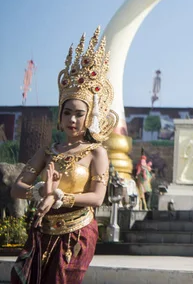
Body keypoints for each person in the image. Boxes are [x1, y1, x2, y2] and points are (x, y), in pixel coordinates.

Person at [10, 27, 117, 283]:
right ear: (60, 115)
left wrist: (60, 196)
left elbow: (97, 197)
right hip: (43, 231)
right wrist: (39, 192)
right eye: (67, 112)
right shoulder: (48, 152)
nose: (72, 119)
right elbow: (16, 188)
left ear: (90, 116)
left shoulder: (96, 153)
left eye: (80, 114)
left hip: (77, 233)